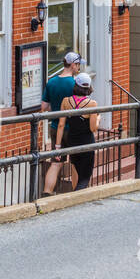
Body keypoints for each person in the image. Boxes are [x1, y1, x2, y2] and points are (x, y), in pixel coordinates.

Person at [42, 52, 83, 195]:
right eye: (78, 65)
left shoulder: (51, 82)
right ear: (73, 65)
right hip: (73, 129)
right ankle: (77, 193)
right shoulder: (75, 84)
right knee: (76, 163)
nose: (79, 68)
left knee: (56, 162)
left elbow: (44, 108)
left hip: (55, 128)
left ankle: (46, 192)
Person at [55, 72, 101, 190]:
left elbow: (61, 125)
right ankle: (78, 195)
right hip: (87, 142)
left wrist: (58, 146)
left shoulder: (66, 101)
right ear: (89, 87)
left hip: (72, 141)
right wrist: (98, 118)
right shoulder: (92, 104)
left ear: (76, 85)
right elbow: (93, 128)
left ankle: (76, 195)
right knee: (85, 176)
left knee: (75, 169)